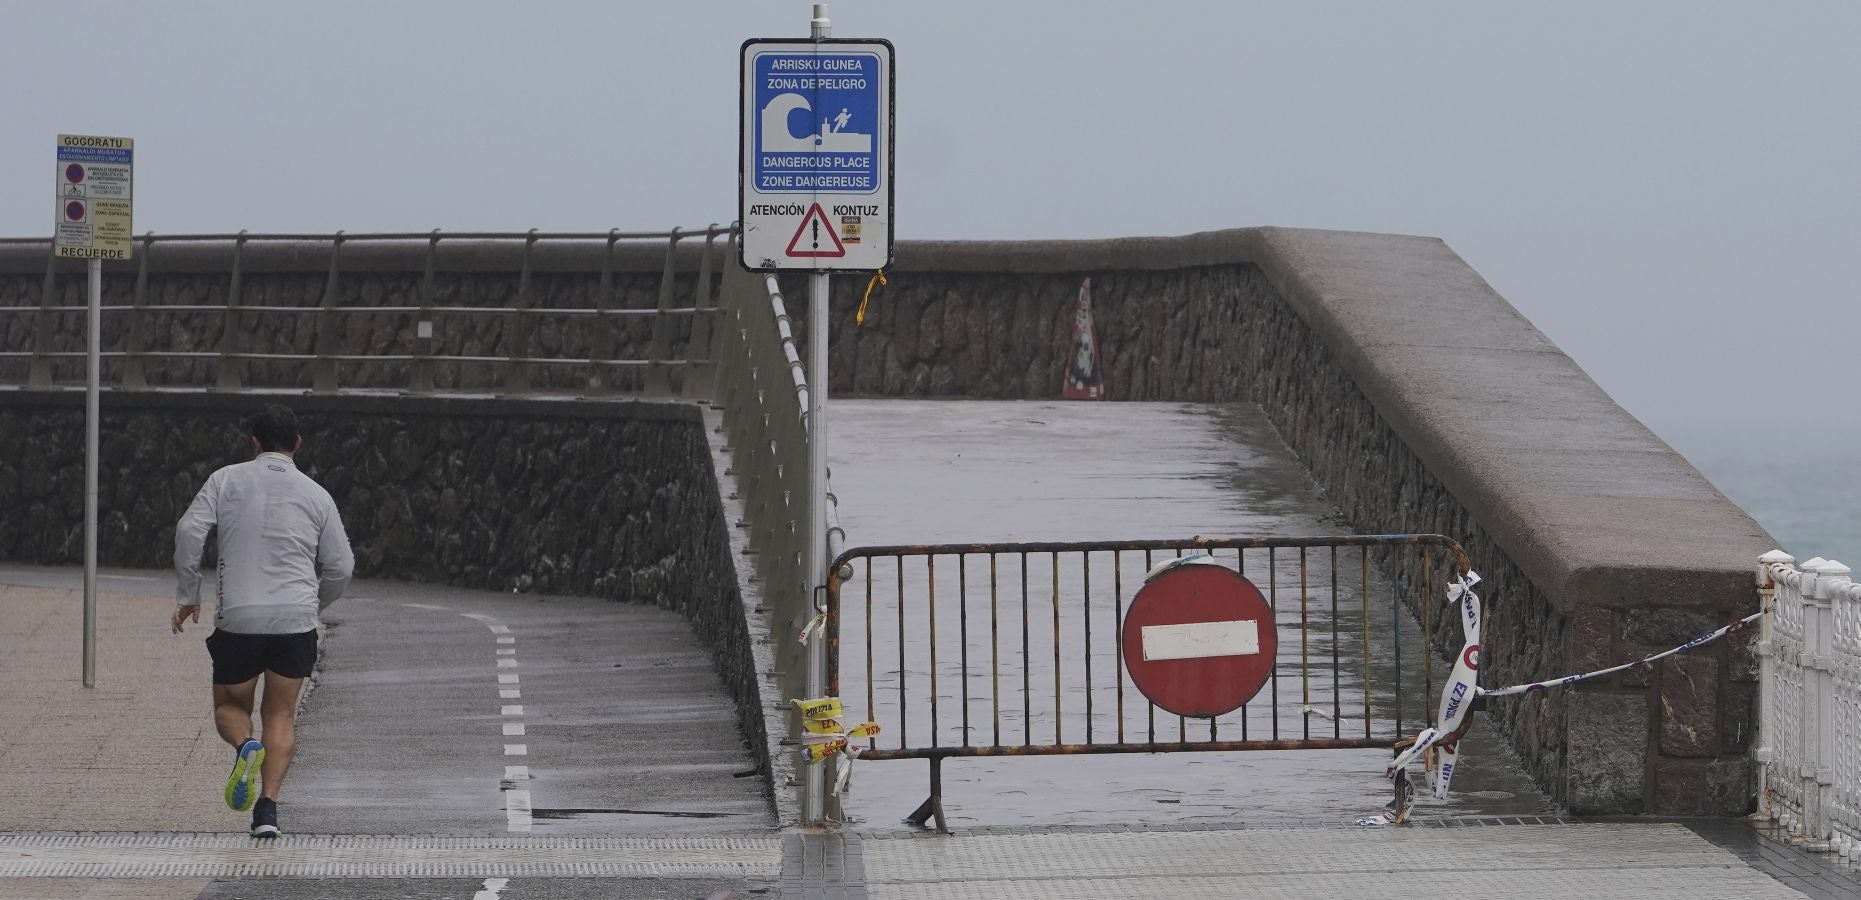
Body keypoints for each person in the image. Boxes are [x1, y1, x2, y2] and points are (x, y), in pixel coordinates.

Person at [172, 404, 353, 838]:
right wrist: (313, 608)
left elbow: (188, 531)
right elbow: (341, 567)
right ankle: (267, 813)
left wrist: (189, 594)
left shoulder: (224, 479)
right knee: (281, 715)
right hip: (294, 621)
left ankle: (243, 746)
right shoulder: (317, 494)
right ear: (297, 444)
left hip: (239, 618)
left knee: (230, 707)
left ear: (253, 443)